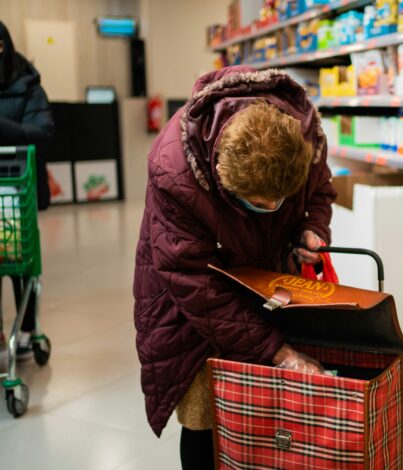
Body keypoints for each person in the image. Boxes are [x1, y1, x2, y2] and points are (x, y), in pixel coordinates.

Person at [133, 65, 336, 470]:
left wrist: (311, 228)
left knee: (274, 411)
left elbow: (320, 192)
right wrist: (274, 350)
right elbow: (191, 279)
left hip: (270, 285)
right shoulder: (175, 168)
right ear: (222, 179)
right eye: (258, 203)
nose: (272, 210)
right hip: (193, 301)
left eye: (280, 200)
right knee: (204, 413)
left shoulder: (305, 141)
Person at [0, 21, 53, 359]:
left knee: (20, 262)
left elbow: (43, 132)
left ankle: (27, 328)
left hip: (16, 190)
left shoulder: (27, 83)